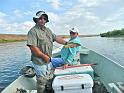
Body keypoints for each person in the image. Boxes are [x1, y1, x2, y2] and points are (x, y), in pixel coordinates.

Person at [27, 11, 67, 93]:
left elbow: (56, 38)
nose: (42, 20)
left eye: (44, 19)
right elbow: (33, 48)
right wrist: (44, 57)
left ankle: (48, 89)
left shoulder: (48, 30)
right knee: (41, 81)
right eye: (40, 18)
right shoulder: (32, 31)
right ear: (36, 19)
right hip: (39, 62)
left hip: (48, 60)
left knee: (49, 77)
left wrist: (67, 43)